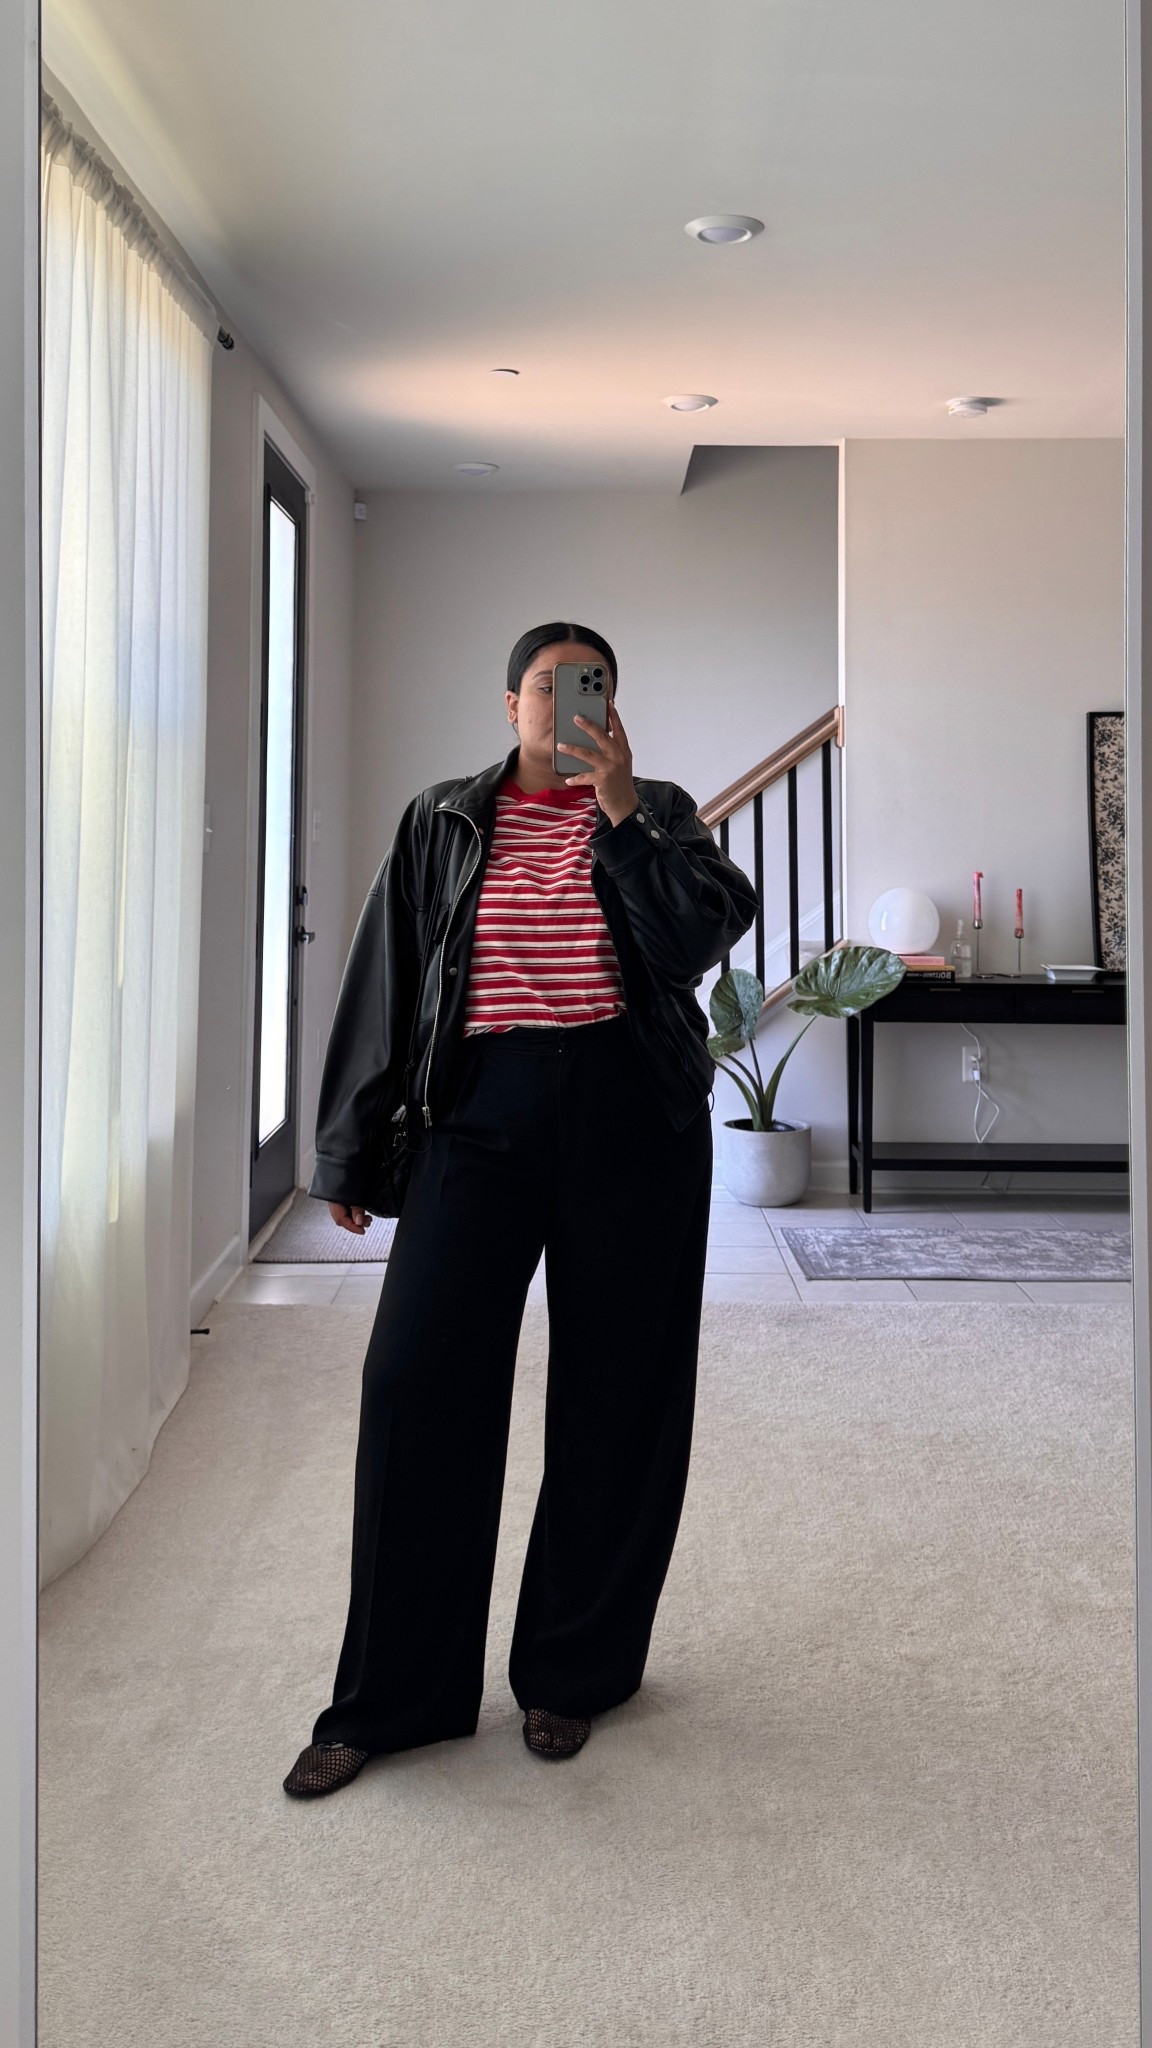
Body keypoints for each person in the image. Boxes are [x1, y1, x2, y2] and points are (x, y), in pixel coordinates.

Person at [283, 621, 758, 1798]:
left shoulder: (660, 812)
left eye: (590, 685)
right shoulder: (442, 816)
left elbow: (696, 940)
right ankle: (393, 1694)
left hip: (631, 1117)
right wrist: (349, 1147)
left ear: (615, 704)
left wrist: (623, 810)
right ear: (510, 705)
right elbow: (389, 978)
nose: (567, 702)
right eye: (548, 685)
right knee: (415, 1381)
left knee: (619, 1391)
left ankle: (570, 1671)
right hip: (477, 1114)